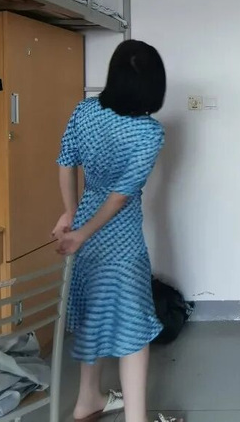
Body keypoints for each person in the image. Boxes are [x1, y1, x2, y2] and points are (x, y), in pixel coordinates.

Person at [53, 40, 180, 422]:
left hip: (86, 223)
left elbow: (65, 162)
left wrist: (72, 216)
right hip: (120, 238)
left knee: (92, 314)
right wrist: (81, 231)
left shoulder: (84, 110)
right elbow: (121, 196)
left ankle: (87, 400)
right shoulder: (148, 132)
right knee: (134, 329)